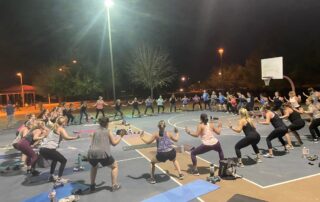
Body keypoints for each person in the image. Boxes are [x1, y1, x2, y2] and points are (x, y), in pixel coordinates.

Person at [39, 116, 80, 185]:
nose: (66, 123)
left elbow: (46, 136)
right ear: (63, 122)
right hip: (49, 149)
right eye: (66, 122)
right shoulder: (61, 129)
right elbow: (66, 137)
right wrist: (75, 137)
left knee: (55, 159)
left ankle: (51, 176)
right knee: (63, 160)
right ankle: (59, 178)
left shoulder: (52, 128)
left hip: (42, 149)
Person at [87, 117, 122, 192]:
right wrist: (120, 136)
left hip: (91, 152)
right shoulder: (108, 131)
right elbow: (114, 143)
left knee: (94, 166)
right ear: (107, 123)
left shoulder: (95, 131)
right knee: (114, 166)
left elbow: (92, 140)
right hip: (102, 153)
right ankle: (114, 185)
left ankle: (92, 185)